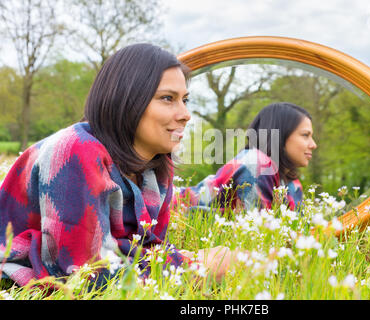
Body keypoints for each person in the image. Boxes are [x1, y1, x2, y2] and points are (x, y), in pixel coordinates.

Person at [0, 43, 234, 287]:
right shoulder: (75, 150)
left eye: (185, 100)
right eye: (168, 98)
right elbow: (81, 274)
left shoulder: (157, 172)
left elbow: (150, 249)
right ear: (127, 100)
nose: (185, 113)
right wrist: (192, 268)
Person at [172, 102, 317, 213]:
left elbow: (297, 235)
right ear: (280, 135)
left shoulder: (292, 184)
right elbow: (257, 235)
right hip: (168, 214)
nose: (313, 144)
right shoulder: (257, 164)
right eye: (305, 135)